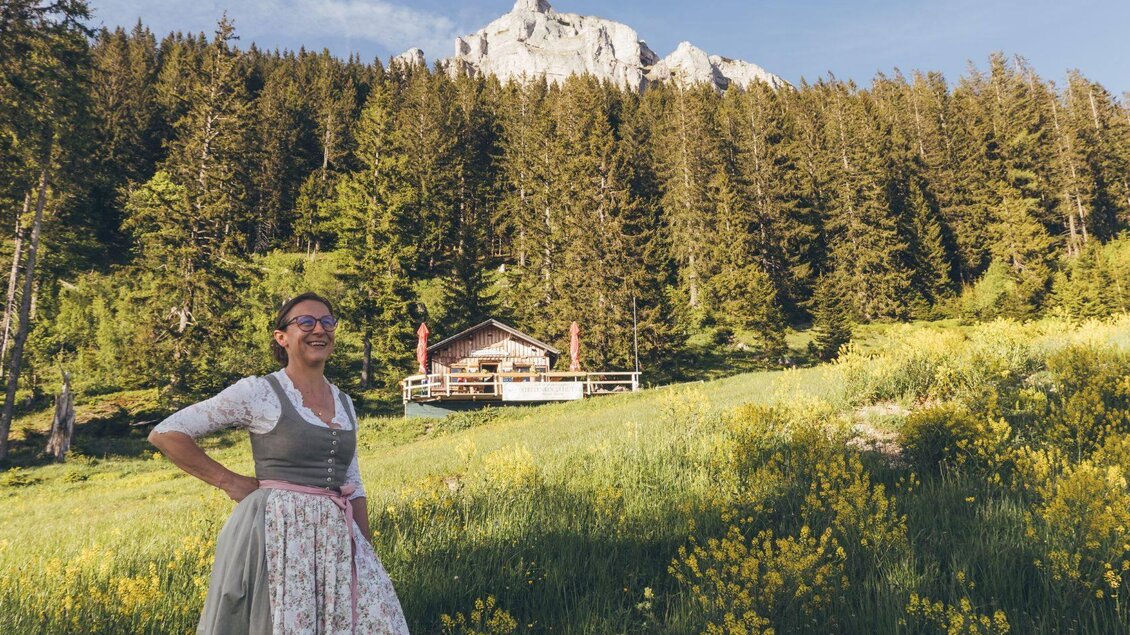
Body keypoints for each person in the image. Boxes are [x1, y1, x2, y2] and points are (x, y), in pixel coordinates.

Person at [149, 292, 410, 634]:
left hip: (335, 541)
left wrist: (364, 553)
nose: (319, 329)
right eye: (306, 322)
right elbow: (167, 433)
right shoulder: (260, 393)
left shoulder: (344, 402)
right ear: (282, 337)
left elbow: (353, 482)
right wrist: (229, 481)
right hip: (279, 535)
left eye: (327, 322)